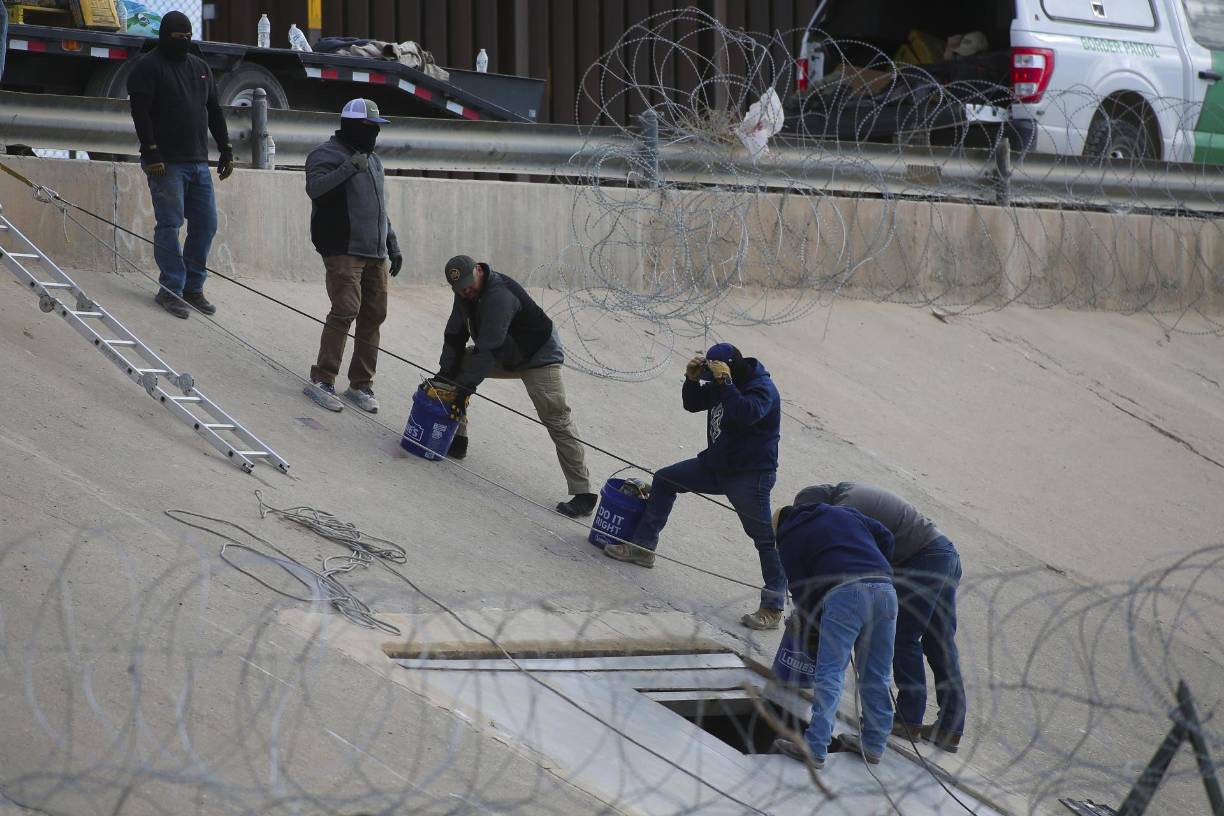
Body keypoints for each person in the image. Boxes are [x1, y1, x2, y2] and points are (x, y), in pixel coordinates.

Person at [602, 343, 786, 630]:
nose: (712, 381)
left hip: (749, 475)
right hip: (716, 464)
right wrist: (691, 380)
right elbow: (693, 404)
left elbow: (745, 413)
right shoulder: (723, 381)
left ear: (730, 368)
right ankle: (642, 548)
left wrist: (724, 382)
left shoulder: (761, 388)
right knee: (665, 479)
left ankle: (773, 608)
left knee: (764, 537)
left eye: (717, 375)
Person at [795, 482, 966, 752]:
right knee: (940, 642)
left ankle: (908, 719)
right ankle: (951, 727)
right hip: (944, 554)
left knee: (903, 638)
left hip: (923, 558)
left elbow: (854, 555)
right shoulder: (850, 493)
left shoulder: (842, 510)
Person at [436, 255, 595, 516]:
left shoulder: (500, 295)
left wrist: (464, 389)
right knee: (454, 371)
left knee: (556, 417)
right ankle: (458, 440)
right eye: (460, 288)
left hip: (538, 357)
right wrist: (444, 374)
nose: (466, 290)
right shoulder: (463, 293)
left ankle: (584, 492)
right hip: (505, 351)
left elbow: (488, 349)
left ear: (478, 270)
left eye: (468, 284)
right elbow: (454, 334)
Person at [770, 502, 897, 769]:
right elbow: (886, 535)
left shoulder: (789, 537)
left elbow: (802, 591)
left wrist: (814, 623)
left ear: (779, 528)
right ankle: (874, 744)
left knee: (831, 672)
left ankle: (815, 747)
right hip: (886, 590)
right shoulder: (843, 511)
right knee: (878, 672)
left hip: (845, 596)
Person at [127, 10, 233, 320]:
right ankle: (171, 288)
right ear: (164, 37)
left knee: (206, 224)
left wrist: (225, 148)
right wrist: (151, 152)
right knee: (170, 224)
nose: (184, 42)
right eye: (178, 38)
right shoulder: (147, 68)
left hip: (198, 161)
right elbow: (141, 114)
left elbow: (213, 110)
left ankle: (193, 288)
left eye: (188, 37)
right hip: (166, 164)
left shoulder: (200, 68)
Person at [302, 98, 403, 414]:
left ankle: (361, 385)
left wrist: (393, 243)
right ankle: (322, 379)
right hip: (343, 249)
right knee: (345, 310)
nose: (374, 135)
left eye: (377, 129)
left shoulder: (373, 160)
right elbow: (315, 189)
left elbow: (379, 209)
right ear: (353, 126)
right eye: (370, 128)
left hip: (376, 253)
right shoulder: (325, 155)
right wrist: (348, 168)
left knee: (373, 315)